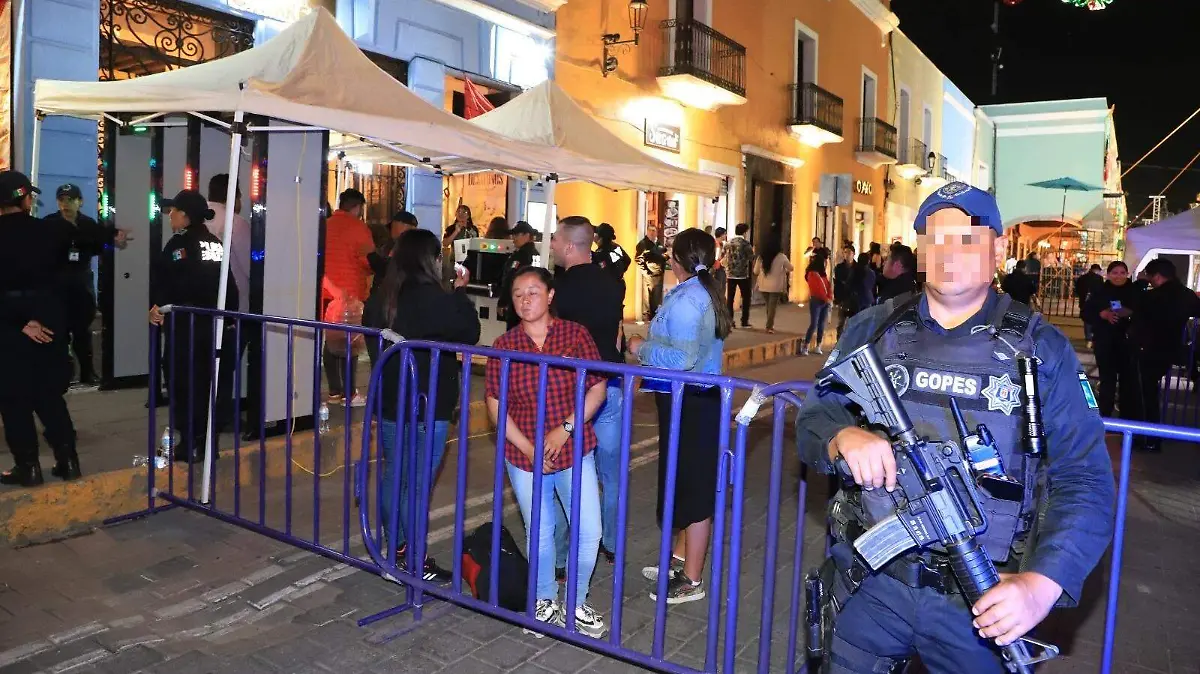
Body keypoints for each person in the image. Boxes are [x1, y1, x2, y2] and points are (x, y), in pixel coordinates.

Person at [796, 183, 1115, 673]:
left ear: (999, 249)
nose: (949, 255)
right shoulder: (873, 328)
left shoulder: (1041, 349)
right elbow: (815, 414)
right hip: (871, 586)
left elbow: (1086, 481)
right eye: (936, 240)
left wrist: (1041, 585)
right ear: (921, 250)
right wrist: (843, 436)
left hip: (981, 599)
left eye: (967, 240)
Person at [485, 266, 608, 638]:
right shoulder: (505, 345)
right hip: (524, 453)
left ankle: (575, 602)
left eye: (533, 292)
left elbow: (597, 388)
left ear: (550, 295)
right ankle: (543, 600)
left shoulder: (575, 334)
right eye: (518, 293)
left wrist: (565, 429)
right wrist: (531, 447)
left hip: (574, 446)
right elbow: (495, 400)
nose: (525, 299)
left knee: (589, 530)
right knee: (540, 529)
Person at [626, 228, 731, 605]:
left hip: (694, 402)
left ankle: (692, 580)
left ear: (678, 259)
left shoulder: (690, 300)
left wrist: (642, 348)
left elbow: (683, 359)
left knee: (696, 491)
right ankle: (681, 560)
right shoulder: (696, 292)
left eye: (670, 253)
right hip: (689, 400)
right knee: (684, 482)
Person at [368, 228, 479, 581]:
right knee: (417, 485)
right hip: (428, 404)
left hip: (389, 401)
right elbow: (469, 330)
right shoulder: (437, 299)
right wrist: (461, 293)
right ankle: (411, 559)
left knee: (393, 476)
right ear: (429, 260)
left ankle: (392, 551)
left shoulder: (379, 298)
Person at [550, 216, 626, 569]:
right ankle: (610, 542)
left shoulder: (559, 290)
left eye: (554, 239)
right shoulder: (612, 283)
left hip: (573, 391)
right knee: (611, 475)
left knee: (571, 473)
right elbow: (616, 335)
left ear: (568, 245)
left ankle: (564, 556)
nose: (550, 245)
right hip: (610, 382)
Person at [0, 172, 80, 485]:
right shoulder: (49, 232)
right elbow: (66, 281)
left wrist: (21, 322)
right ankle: (68, 460)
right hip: (48, 322)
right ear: (24, 199)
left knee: (14, 399)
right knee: (48, 396)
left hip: (9, 328)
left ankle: (29, 467)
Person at [148, 189, 238, 464]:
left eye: (173, 211)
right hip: (213, 326)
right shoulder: (215, 243)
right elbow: (228, 287)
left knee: (182, 384)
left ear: (185, 215)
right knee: (206, 384)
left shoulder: (179, 246)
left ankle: (190, 444)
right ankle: (205, 442)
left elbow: (167, 283)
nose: (170, 216)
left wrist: (157, 307)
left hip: (185, 327)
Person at [42, 183, 129, 385]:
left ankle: (87, 372)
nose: (66, 204)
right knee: (59, 332)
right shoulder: (49, 224)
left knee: (82, 330)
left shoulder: (89, 225)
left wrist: (114, 242)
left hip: (81, 284)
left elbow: (102, 245)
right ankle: (63, 373)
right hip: (57, 285)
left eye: (70, 199)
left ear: (80, 202)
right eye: (62, 200)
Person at [1127, 258, 1200, 450]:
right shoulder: (1188, 295)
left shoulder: (1152, 297)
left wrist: (1141, 282)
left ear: (1157, 277)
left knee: (1144, 395)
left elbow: (1134, 308)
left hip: (1148, 349)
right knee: (1150, 394)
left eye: (1150, 278)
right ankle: (1152, 437)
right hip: (1171, 349)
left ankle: (1147, 438)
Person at [205, 174, 253, 433]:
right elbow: (248, 266)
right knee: (226, 367)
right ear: (234, 196)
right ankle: (222, 415)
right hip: (235, 307)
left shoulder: (200, 219)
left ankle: (204, 412)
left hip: (204, 305)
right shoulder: (236, 223)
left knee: (207, 362)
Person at [320, 189, 374, 408]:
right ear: (358, 207)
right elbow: (368, 261)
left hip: (327, 294)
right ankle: (349, 394)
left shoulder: (325, 225)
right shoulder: (359, 228)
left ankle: (333, 391)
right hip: (350, 295)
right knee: (350, 343)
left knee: (331, 342)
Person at [1082, 261, 1137, 418]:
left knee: (1127, 381)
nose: (1119, 276)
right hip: (1105, 341)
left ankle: (1126, 419)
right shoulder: (1100, 291)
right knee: (1107, 380)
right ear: (1108, 274)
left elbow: (1144, 313)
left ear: (1127, 274)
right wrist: (1102, 314)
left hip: (1128, 343)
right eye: (1115, 272)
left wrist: (1129, 313)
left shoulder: (1134, 291)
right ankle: (1105, 415)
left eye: (1122, 273)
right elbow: (1086, 313)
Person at [497, 220, 539, 330]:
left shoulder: (522, 256)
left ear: (527, 235)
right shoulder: (534, 254)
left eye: (517, 234)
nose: (513, 238)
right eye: (513, 234)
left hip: (517, 304)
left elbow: (511, 279)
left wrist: (503, 301)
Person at [754, 238, 793, 334]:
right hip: (775, 286)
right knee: (772, 307)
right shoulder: (781, 257)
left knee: (769, 306)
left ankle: (769, 324)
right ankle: (769, 326)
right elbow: (791, 268)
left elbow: (755, 271)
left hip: (763, 285)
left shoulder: (761, 257)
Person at [722, 223, 754, 328]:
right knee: (746, 297)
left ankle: (730, 321)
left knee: (730, 298)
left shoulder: (728, 243)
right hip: (742, 275)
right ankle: (744, 321)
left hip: (730, 274)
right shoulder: (745, 244)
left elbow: (723, 255)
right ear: (745, 232)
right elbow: (751, 258)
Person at [636, 224, 668, 322]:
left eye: (654, 231)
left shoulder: (659, 244)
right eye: (650, 231)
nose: (652, 233)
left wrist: (664, 257)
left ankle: (655, 318)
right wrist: (646, 272)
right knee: (647, 298)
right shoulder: (643, 244)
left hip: (658, 275)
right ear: (647, 231)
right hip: (649, 275)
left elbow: (665, 255)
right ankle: (646, 318)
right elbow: (638, 259)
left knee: (657, 299)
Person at [802, 251, 831, 354]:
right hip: (816, 301)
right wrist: (826, 298)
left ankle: (818, 345)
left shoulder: (823, 275)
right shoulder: (812, 275)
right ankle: (806, 345)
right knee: (814, 323)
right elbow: (817, 289)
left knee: (821, 324)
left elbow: (828, 287)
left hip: (825, 302)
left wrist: (829, 298)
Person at [591, 222, 632, 294]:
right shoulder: (616, 247)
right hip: (619, 285)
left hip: (608, 289)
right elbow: (627, 260)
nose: (594, 236)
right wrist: (620, 273)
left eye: (596, 233)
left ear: (601, 238)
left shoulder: (601, 253)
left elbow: (601, 271)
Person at [1074, 264, 1105, 346]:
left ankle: (1088, 338)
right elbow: (1101, 291)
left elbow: (1077, 289)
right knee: (1095, 319)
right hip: (1095, 302)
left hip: (1084, 302)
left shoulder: (1082, 278)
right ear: (1096, 270)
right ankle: (1093, 337)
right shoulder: (1099, 278)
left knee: (1086, 320)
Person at [833, 244, 855, 338]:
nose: (847, 255)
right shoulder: (839, 267)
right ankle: (839, 344)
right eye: (845, 252)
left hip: (853, 299)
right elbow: (837, 283)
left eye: (849, 252)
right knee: (841, 323)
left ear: (853, 254)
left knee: (853, 324)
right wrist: (837, 298)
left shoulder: (857, 268)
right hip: (843, 298)